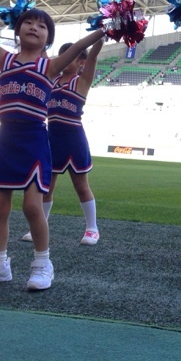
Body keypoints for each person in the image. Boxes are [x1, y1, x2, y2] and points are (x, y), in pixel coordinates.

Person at [0, 9, 104, 291]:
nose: (33, 27)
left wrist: (106, 29)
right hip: (5, 139)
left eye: (42, 26)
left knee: (32, 206)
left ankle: (43, 264)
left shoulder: (50, 66)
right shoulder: (4, 58)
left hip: (34, 140)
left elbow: (80, 46)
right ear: (17, 30)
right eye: (28, 22)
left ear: (48, 38)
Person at [20, 39, 104, 245]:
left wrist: (102, 32)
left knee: (81, 186)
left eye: (72, 56)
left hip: (74, 139)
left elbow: (93, 55)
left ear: (81, 63)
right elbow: (42, 55)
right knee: (47, 186)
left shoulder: (81, 82)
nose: (65, 59)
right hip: (52, 138)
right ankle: (40, 225)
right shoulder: (52, 79)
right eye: (62, 55)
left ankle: (92, 228)